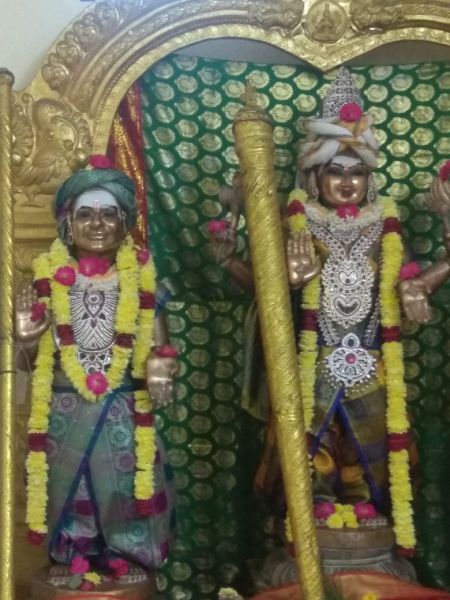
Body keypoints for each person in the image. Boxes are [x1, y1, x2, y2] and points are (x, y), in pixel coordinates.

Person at [210, 68, 450, 554]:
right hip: (312, 360)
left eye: (355, 171)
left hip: (371, 361)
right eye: (334, 171)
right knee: (306, 449)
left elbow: (406, 281)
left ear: (368, 178)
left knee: (375, 452)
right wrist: (270, 276)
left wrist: (417, 288)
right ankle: (312, 517)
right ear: (313, 176)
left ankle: (364, 520)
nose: (346, 182)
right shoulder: (294, 222)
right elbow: (265, 293)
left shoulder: (385, 226)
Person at [16, 156, 178, 586]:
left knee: (127, 483)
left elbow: (162, 348)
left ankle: (129, 556)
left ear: (125, 224)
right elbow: (23, 369)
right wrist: (25, 340)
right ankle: (72, 555)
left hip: (124, 406)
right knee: (70, 487)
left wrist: (160, 366)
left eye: (109, 215)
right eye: (85, 215)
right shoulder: (46, 285)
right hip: (64, 409)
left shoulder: (144, 284)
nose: (98, 224)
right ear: (68, 224)